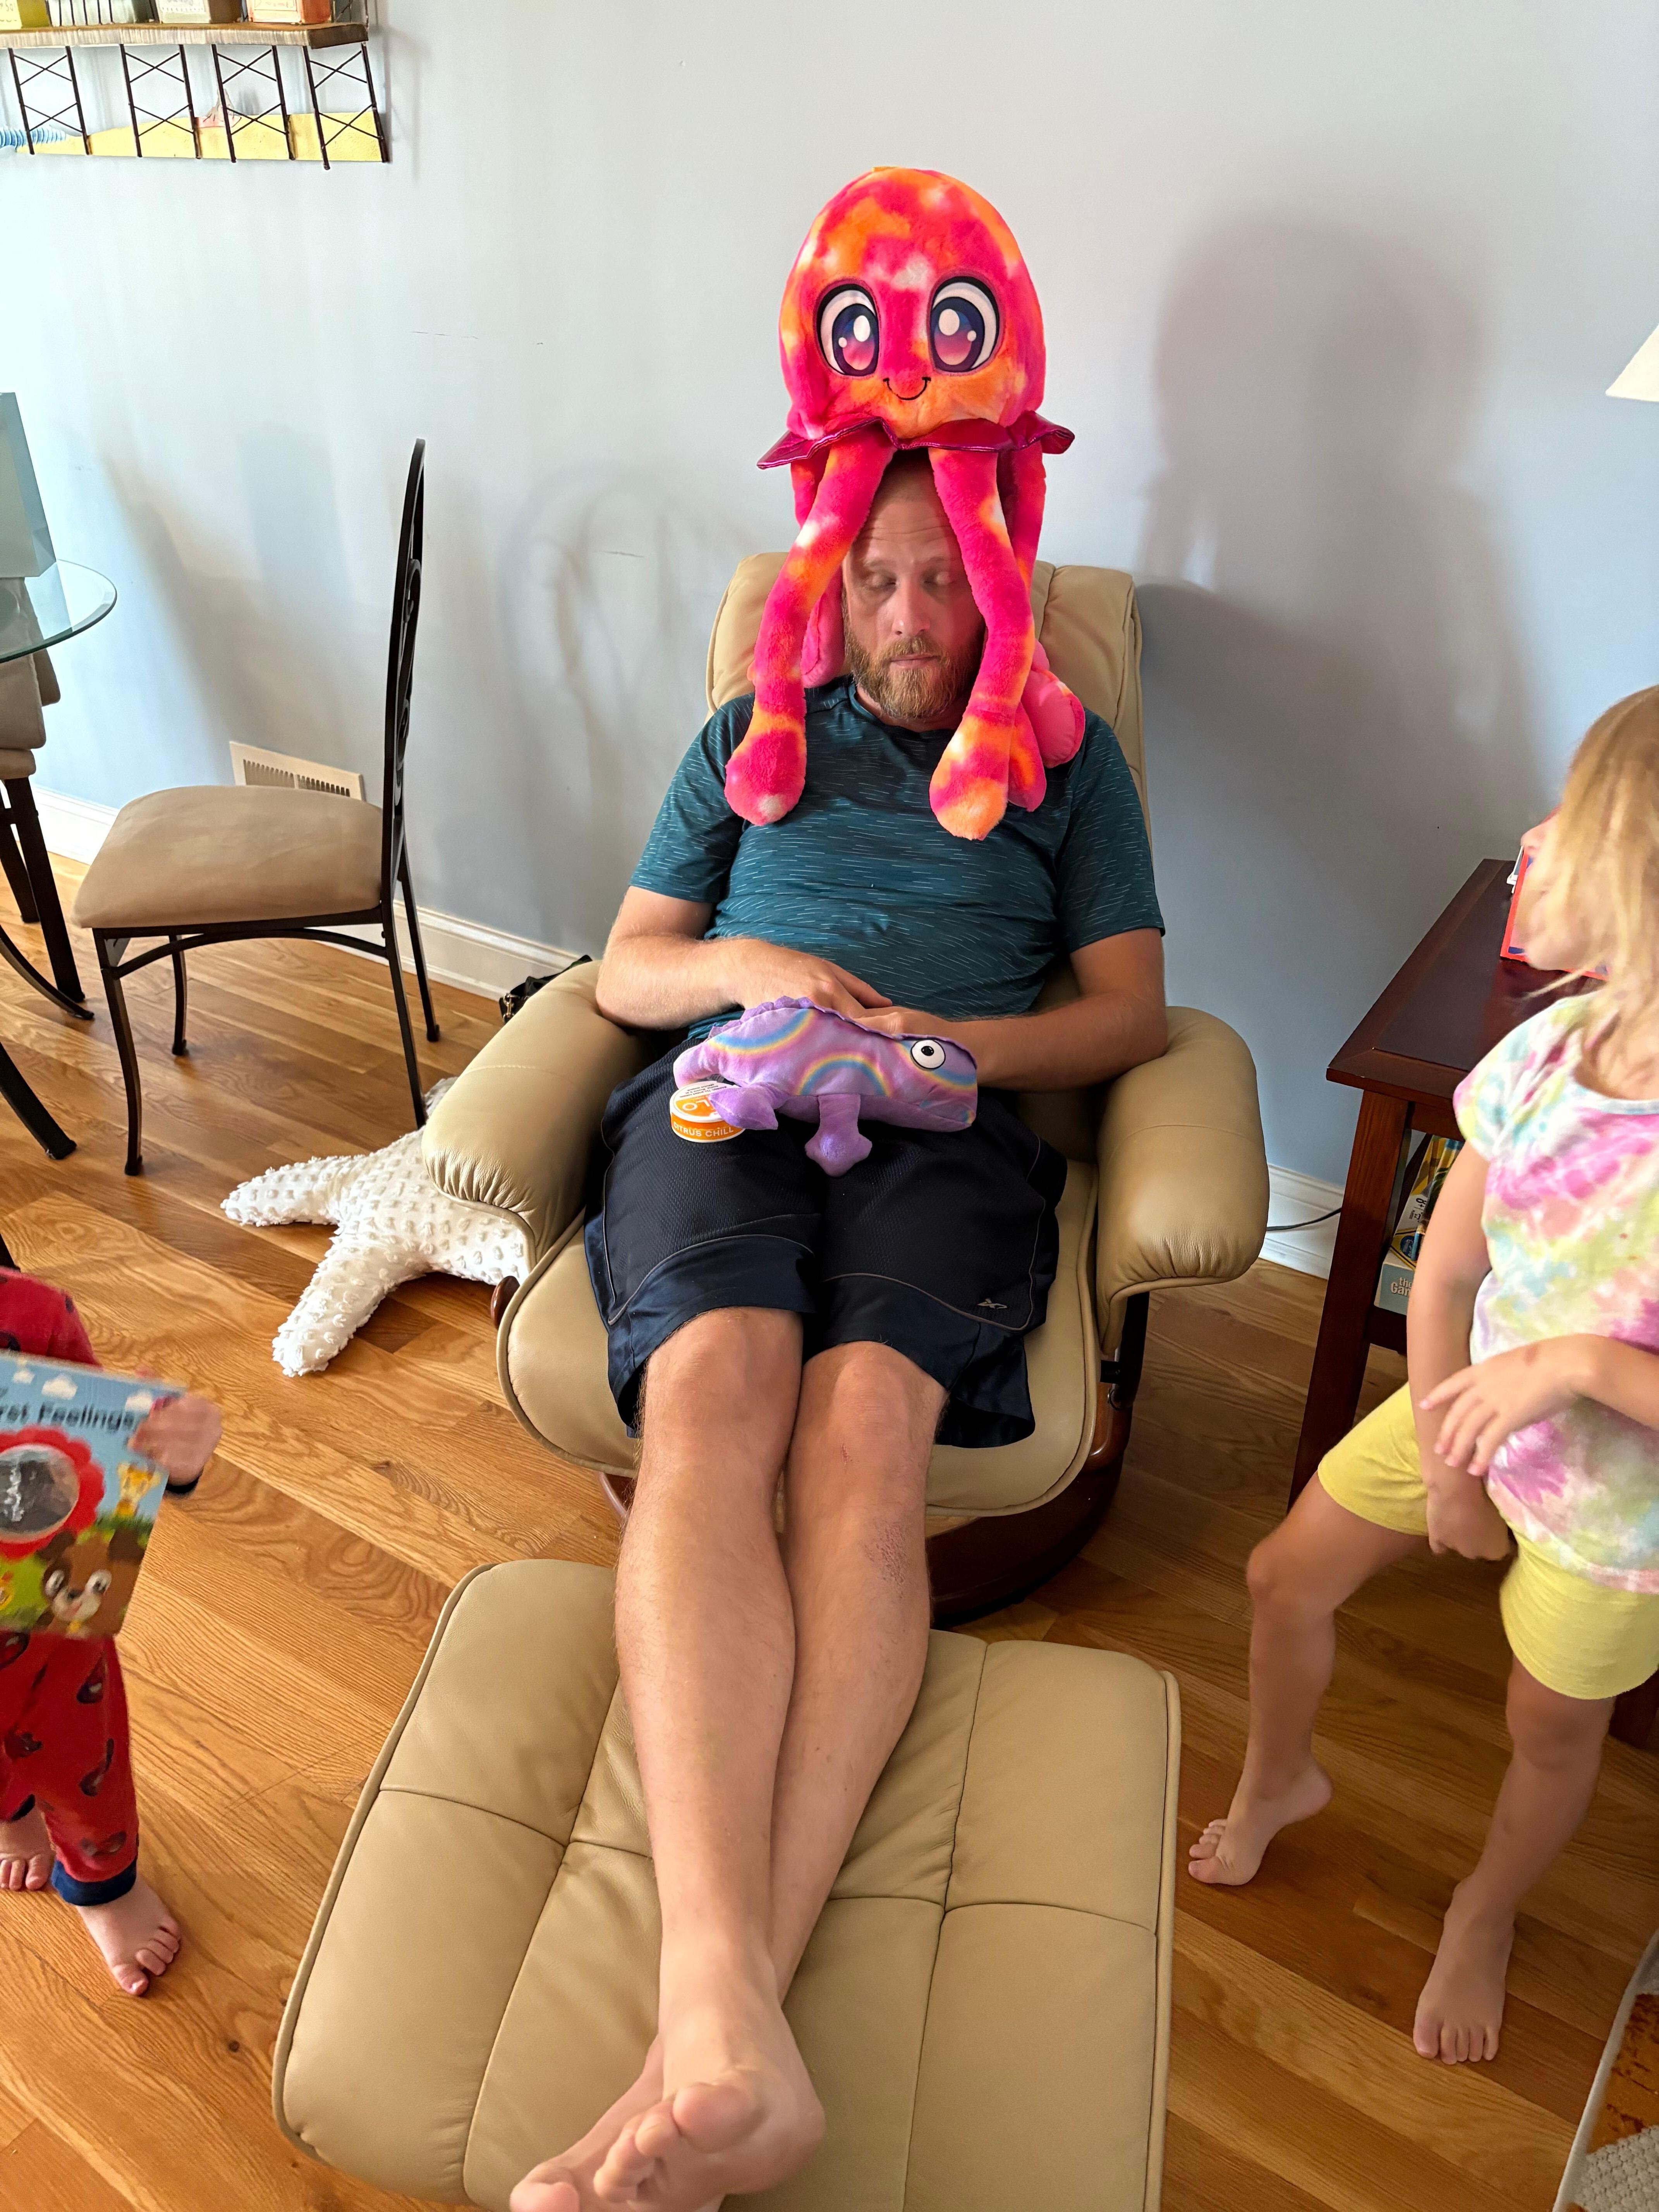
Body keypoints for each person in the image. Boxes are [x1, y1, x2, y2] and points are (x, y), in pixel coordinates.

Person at [511, 450, 1166, 2212]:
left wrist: (938, 1049)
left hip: (945, 1120)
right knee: (717, 1403)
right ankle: (720, 2006)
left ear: (1003, 581)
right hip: (724, 1090)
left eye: (942, 583)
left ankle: (710, 2035)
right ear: (833, 576)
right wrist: (750, 976)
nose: (906, 622)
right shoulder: (750, 732)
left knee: (864, 1431)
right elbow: (626, 967)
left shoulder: (1068, 760)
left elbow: (1125, 1016)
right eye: (875, 580)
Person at [1188, 689, 1659, 2068]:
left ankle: (1486, 1906)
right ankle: (1283, 1774)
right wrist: (1452, 1456)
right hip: (1471, 1412)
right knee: (1286, 1575)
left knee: (1547, 1727)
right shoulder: (1538, 1061)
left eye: (1571, 817)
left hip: (1614, 1519)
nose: (1531, 836)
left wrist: (1575, 1366)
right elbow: (1444, 1271)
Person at [0, 1265, 221, 1995]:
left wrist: (170, 1456)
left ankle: (104, 1886)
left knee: (80, 1771)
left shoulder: (31, 1317)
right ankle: (10, 1817)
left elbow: (108, 1443)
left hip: (42, 1646)